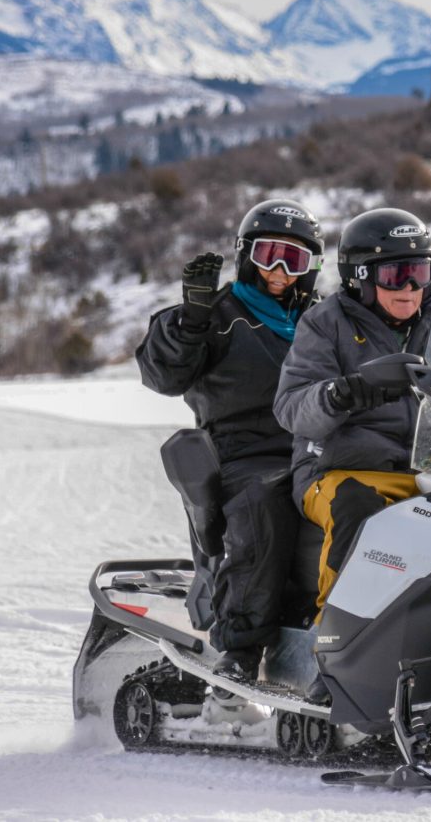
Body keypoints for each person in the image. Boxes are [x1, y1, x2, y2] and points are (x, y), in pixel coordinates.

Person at [135, 198, 324, 681]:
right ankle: (241, 648)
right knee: (265, 503)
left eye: (295, 259)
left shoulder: (322, 320)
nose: (280, 271)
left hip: (321, 447)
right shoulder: (215, 314)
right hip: (246, 453)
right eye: (269, 255)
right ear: (246, 256)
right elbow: (163, 375)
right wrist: (190, 323)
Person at [274, 208, 431, 612]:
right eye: (395, 275)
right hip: (339, 471)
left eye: (421, 271)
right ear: (360, 276)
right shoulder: (325, 323)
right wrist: (342, 393)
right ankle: (335, 644)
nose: (411, 287)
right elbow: (291, 406)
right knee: (357, 507)